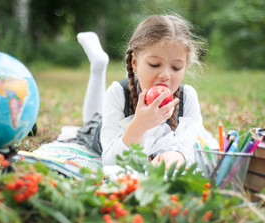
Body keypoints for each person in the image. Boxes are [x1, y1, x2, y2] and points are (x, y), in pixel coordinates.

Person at [76, 14, 204, 170]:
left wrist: (180, 156)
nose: (165, 75)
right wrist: (139, 125)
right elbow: (110, 161)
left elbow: (194, 147)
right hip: (108, 132)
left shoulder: (188, 97)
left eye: (176, 67)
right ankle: (98, 66)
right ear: (135, 63)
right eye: (154, 64)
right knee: (92, 122)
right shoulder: (117, 93)